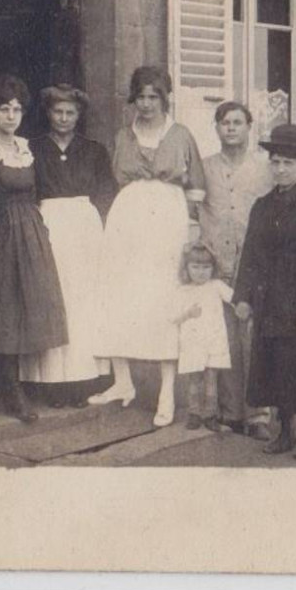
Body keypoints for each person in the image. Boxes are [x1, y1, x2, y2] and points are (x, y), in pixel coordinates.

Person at [89, 65, 206, 427]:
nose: (147, 103)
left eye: (154, 96)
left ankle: (166, 392)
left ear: (165, 98)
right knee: (119, 294)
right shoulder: (124, 136)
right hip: (129, 218)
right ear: (133, 99)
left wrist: (192, 225)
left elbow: (197, 185)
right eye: (141, 96)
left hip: (167, 219)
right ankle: (123, 383)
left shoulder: (181, 135)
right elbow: (116, 177)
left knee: (163, 300)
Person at [199, 101, 296, 436]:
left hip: (262, 269)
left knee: (258, 341)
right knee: (226, 340)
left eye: (238, 122)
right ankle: (231, 413)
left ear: (249, 127)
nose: (231, 128)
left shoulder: (265, 167)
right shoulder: (205, 166)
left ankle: (259, 417)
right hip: (220, 263)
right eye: (224, 122)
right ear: (216, 127)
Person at [233, 123, 296, 459]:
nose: (280, 169)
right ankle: (285, 430)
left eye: (288, 163)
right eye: (275, 162)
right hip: (268, 298)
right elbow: (250, 254)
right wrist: (244, 297)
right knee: (275, 365)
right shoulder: (262, 205)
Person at [20, 85, 117, 407]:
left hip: (85, 229)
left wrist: (100, 228)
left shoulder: (94, 150)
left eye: (70, 113)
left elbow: (107, 193)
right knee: (54, 297)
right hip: (48, 225)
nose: (63, 118)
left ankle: (86, 380)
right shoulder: (31, 148)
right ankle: (49, 384)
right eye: (58, 111)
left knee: (84, 300)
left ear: (79, 116)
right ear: (48, 113)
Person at [0, 75, 67, 423]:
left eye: (17, 109)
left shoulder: (25, 148)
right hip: (1, 232)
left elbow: (36, 193)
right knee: (5, 308)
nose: (11, 115)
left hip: (30, 231)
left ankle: (21, 385)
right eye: (4, 108)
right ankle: (8, 390)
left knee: (29, 305)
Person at [171, 241, 232, 433]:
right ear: (186, 268)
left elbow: (235, 298)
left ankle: (210, 415)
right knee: (194, 381)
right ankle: (194, 414)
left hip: (214, 342)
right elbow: (173, 317)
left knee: (211, 381)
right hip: (193, 344)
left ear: (213, 268)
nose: (200, 272)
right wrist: (188, 314)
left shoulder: (216, 286)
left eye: (206, 267)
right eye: (195, 267)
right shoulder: (182, 291)